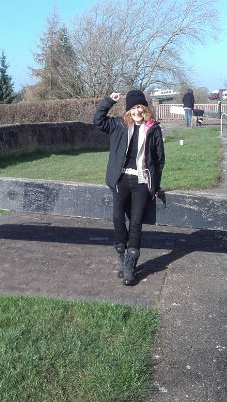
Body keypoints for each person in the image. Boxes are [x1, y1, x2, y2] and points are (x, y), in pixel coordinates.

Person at [93, 90, 165, 285]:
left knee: (135, 223)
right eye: (133, 108)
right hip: (121, 180)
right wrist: (108, 101)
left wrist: (155, 185)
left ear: (145, 108)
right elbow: (98, 120)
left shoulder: (153, 129)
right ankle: (124, 260)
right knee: (117, 218)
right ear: (128, 110)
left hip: (142, 182)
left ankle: (130, 266)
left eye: (139, 107)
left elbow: (159, 161)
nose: (136, 111)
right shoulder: (118, 125)